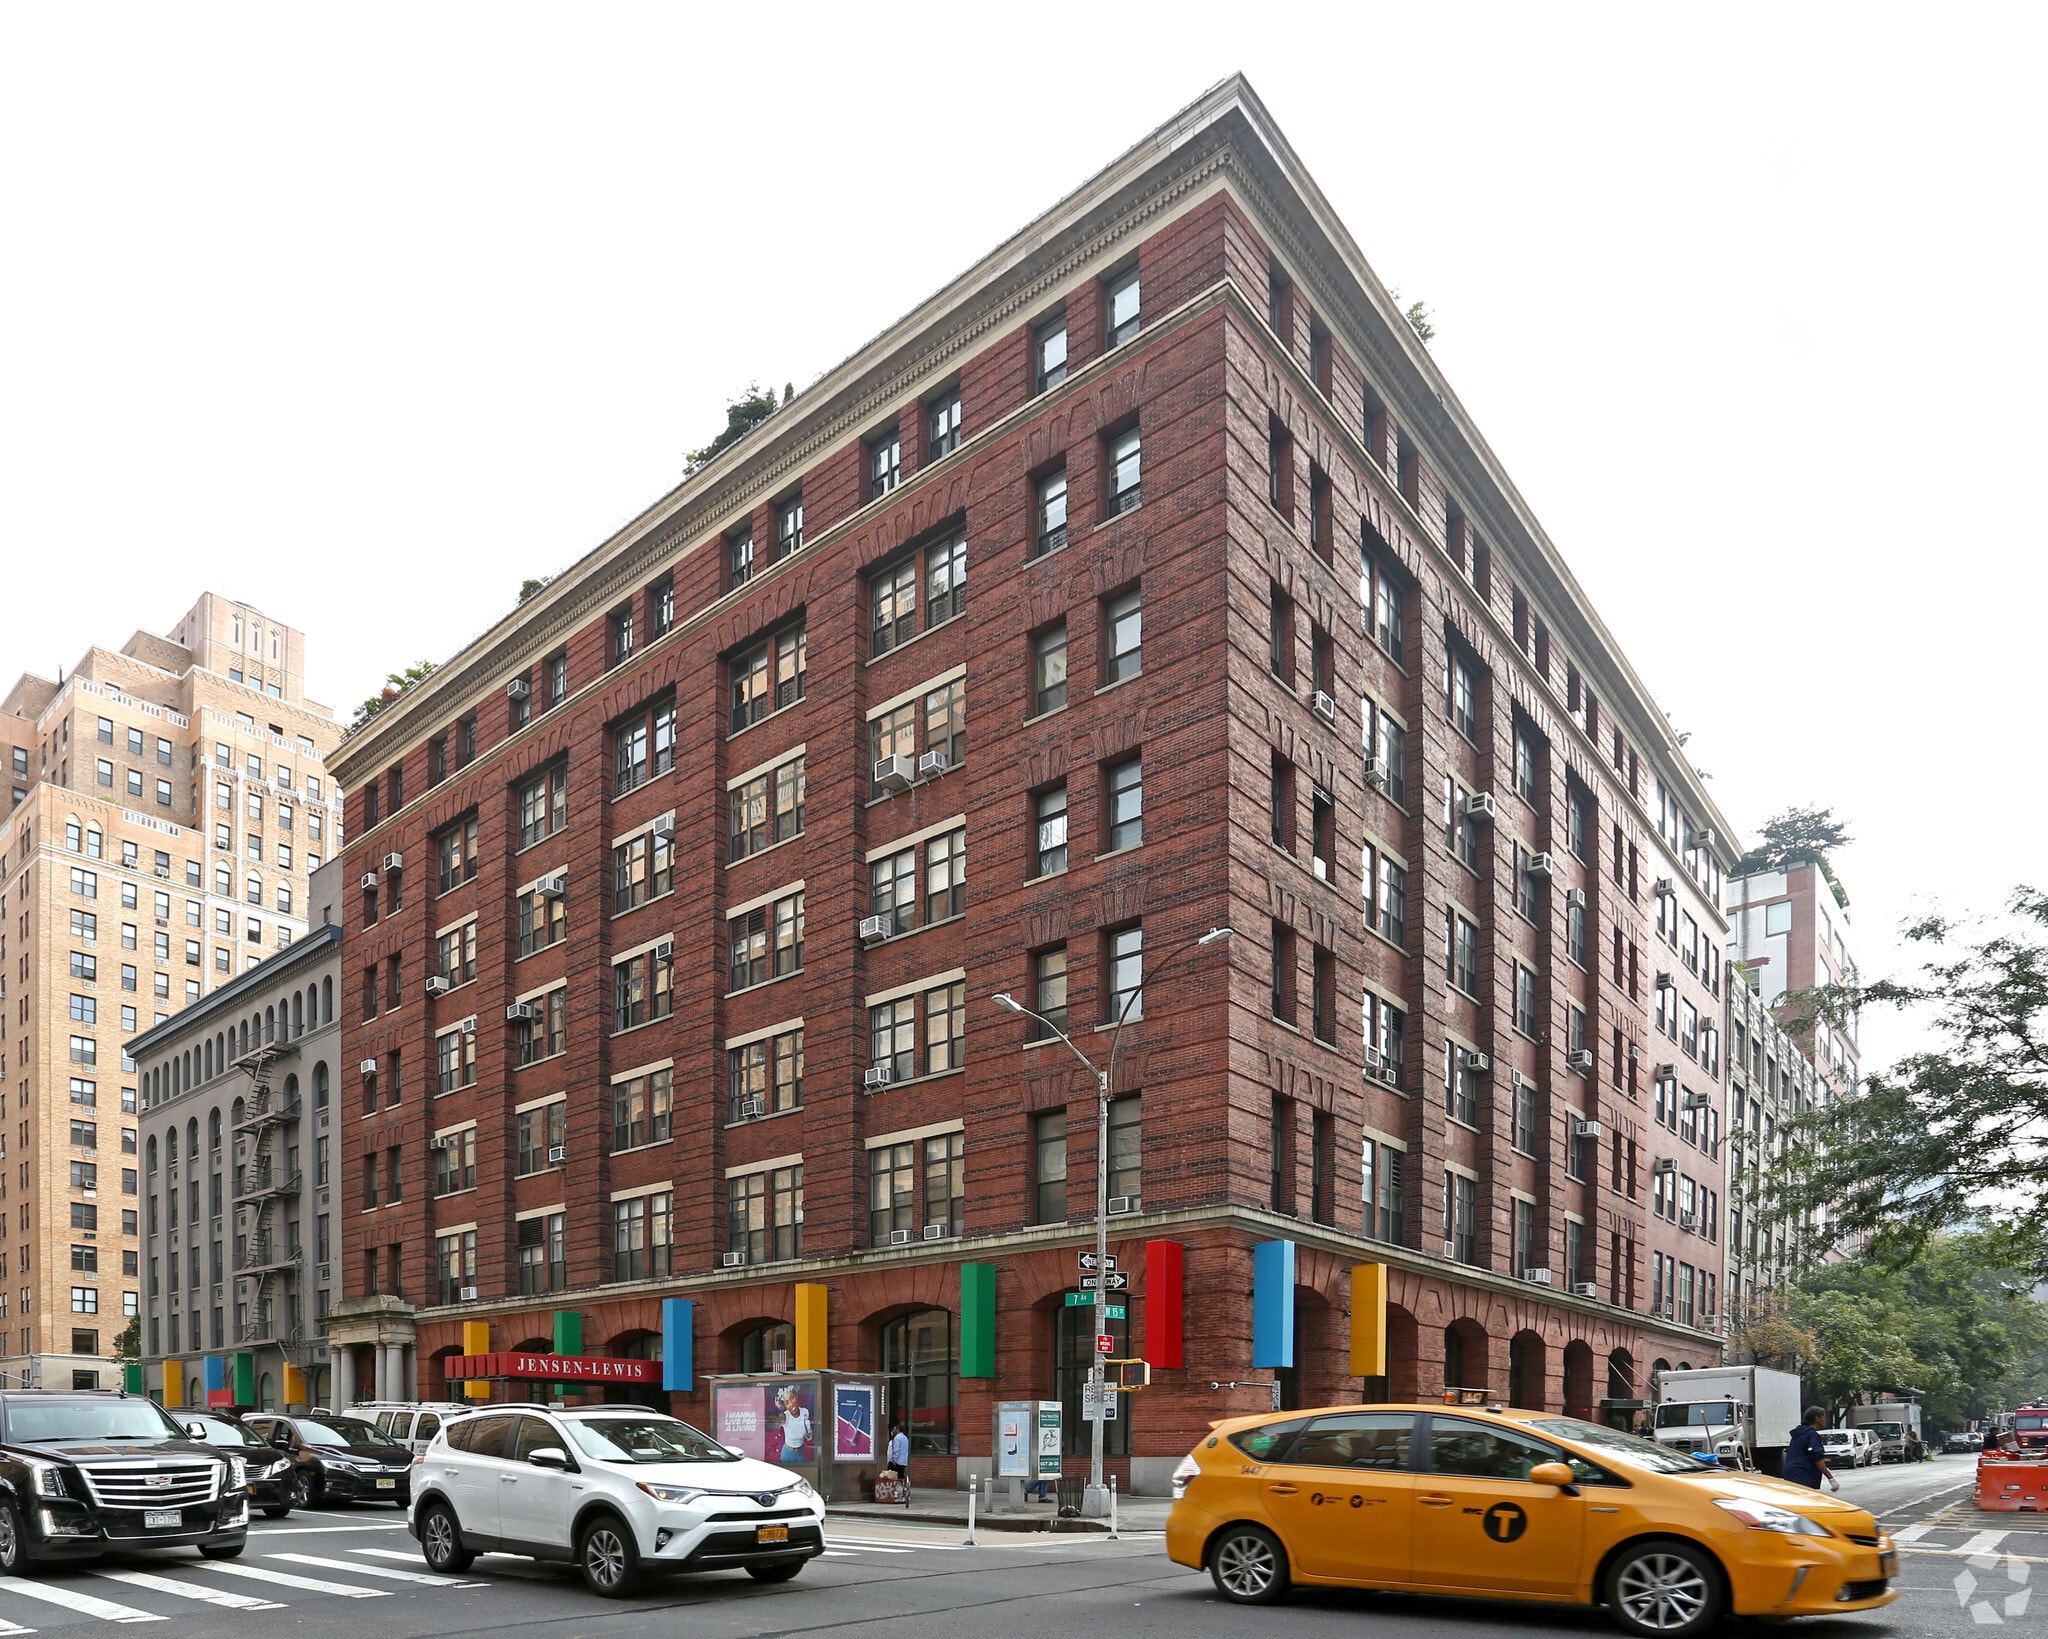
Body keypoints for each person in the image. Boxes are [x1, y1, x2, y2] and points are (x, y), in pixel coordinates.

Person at [1784, 1407, 1832, 1490]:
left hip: (1791, 1473)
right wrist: (1831, 1478)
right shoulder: (1812, 1435)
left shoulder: (1798, 1434)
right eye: (1824, 1417)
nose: (1825, 1420)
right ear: (1817, 1418)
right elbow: (1817, 1458)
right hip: (1804, 1474)